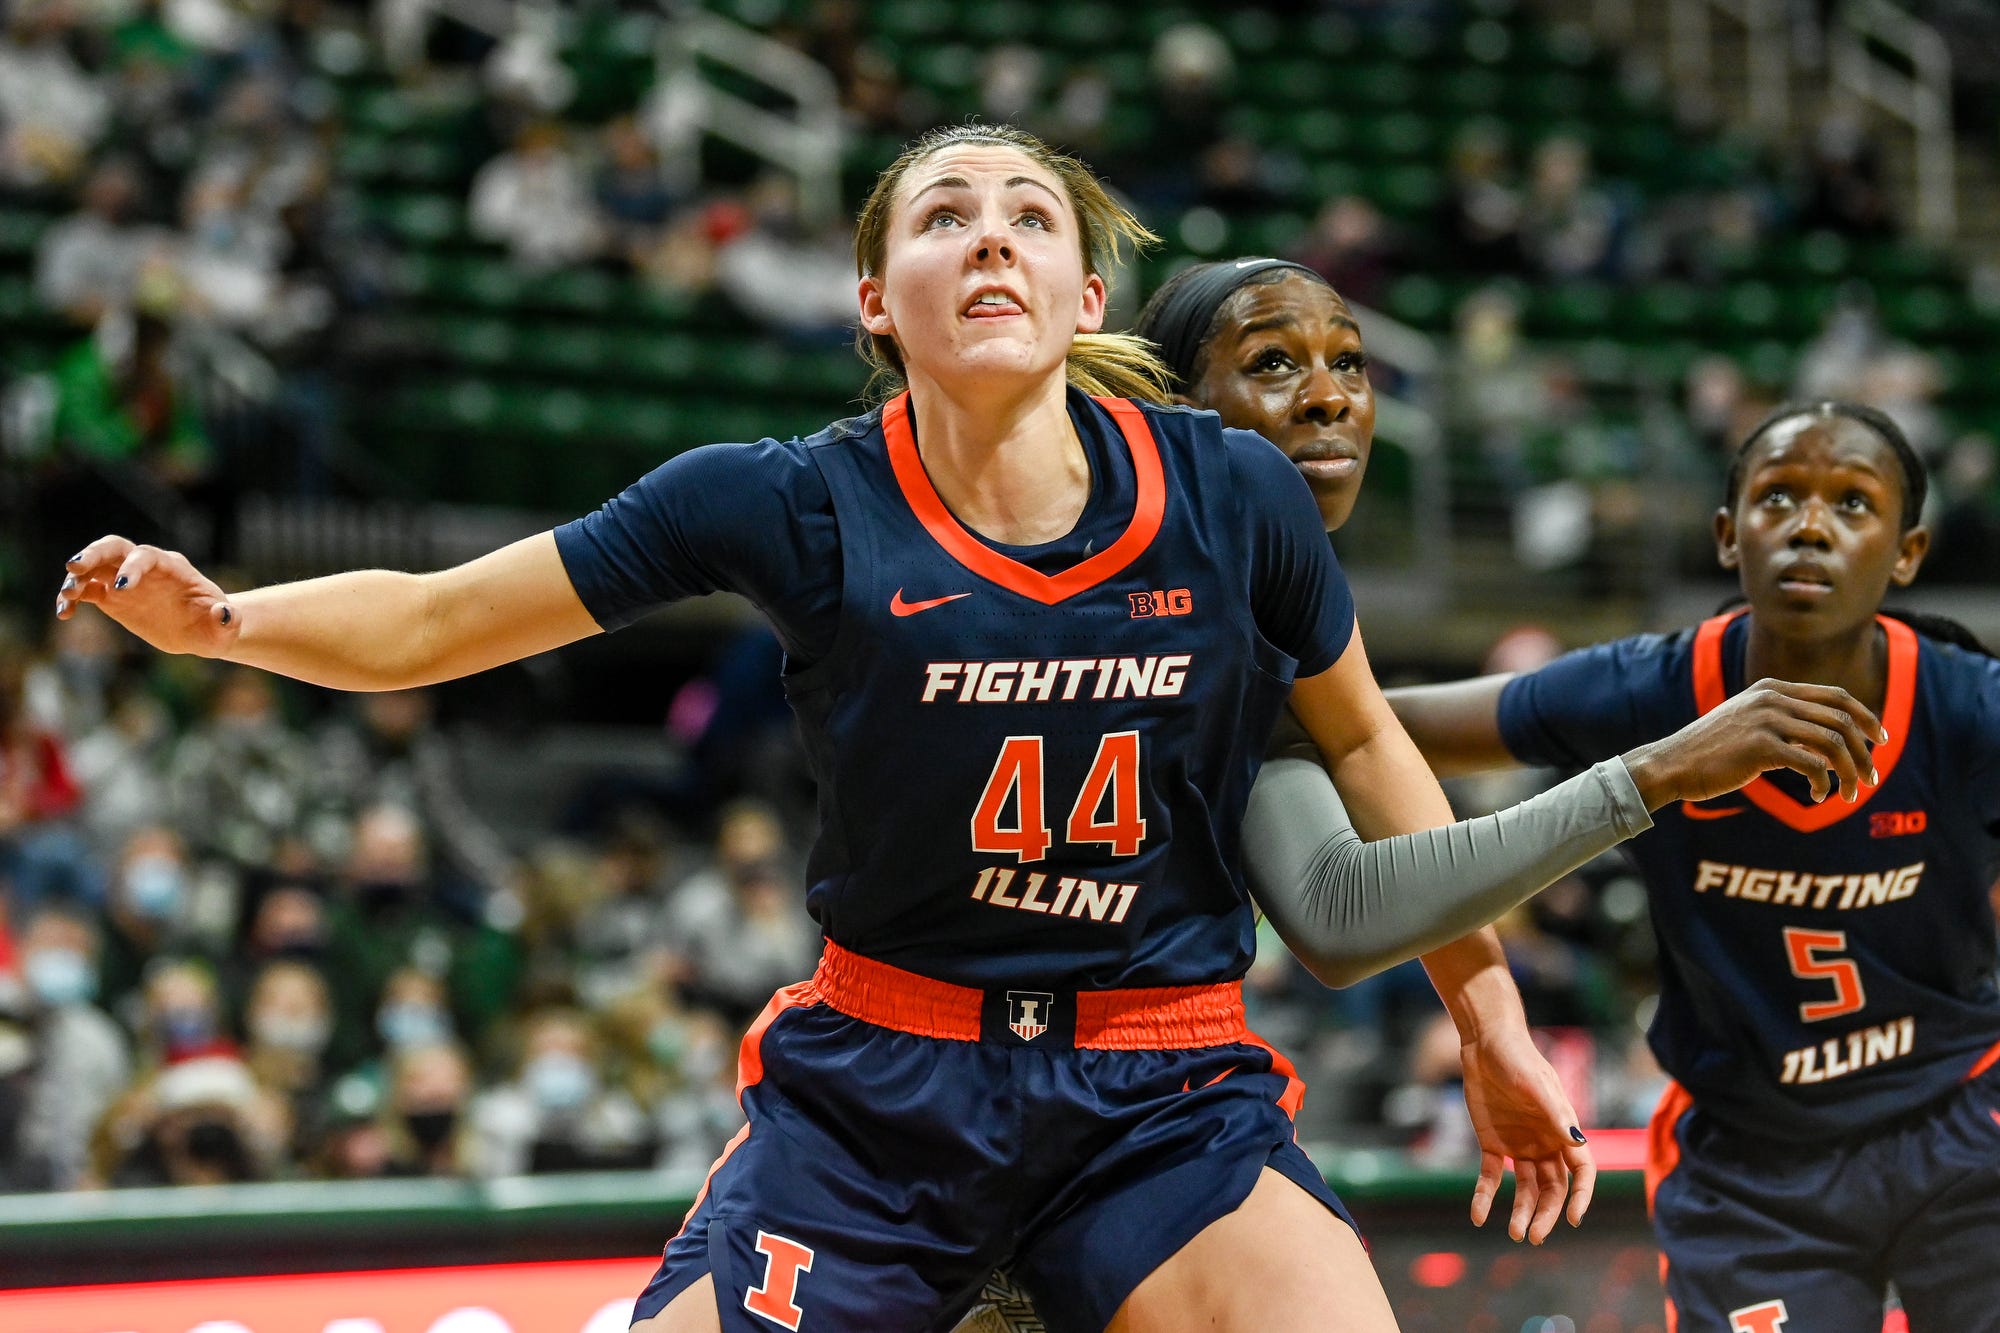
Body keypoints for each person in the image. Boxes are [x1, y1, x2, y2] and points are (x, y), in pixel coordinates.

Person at [66, 122, 1597, 1333]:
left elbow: (1374, 754)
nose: (987, 228)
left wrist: (1492, 1021)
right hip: (884, 1090)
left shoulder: (1232, 493)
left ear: (1083, 300)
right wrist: (227, 621)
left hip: (1163, 1086)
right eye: (942, 214)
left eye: (1027, 212)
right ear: (875, 299)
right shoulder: (785, 499)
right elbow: (436, 622)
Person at [1382, 401, 2000, 1332]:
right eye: (1779, 495)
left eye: (1853, 504)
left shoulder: (1968, 709)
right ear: (1727, 533)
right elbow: (1380, 731)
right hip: (1751, 1162)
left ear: (1908, 554)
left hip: (1959, 1124)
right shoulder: (1652, 688)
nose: (1809, 525)